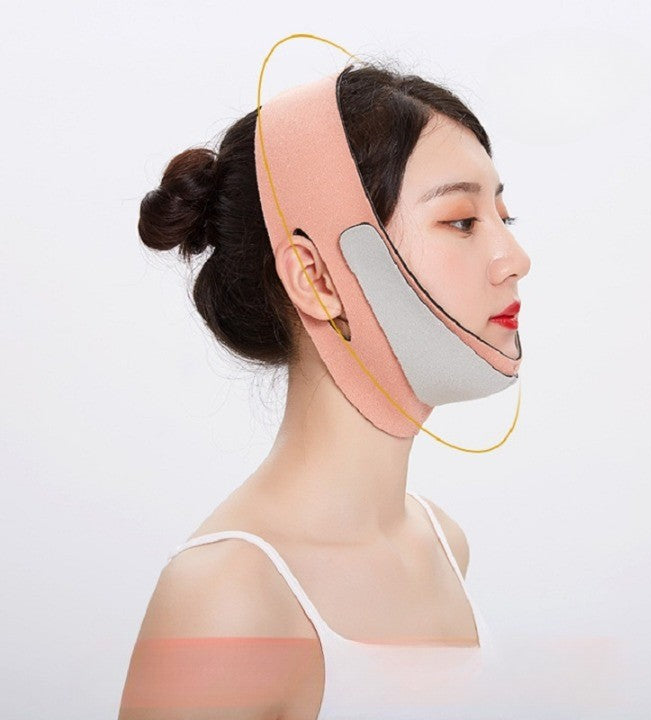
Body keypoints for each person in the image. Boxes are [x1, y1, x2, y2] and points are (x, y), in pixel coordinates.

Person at [119, 60, 531, 720]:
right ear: (315, 279)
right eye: (462, 221)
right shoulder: (226, 598)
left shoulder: (443, 544)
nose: (516, 258)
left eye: (504, 215)